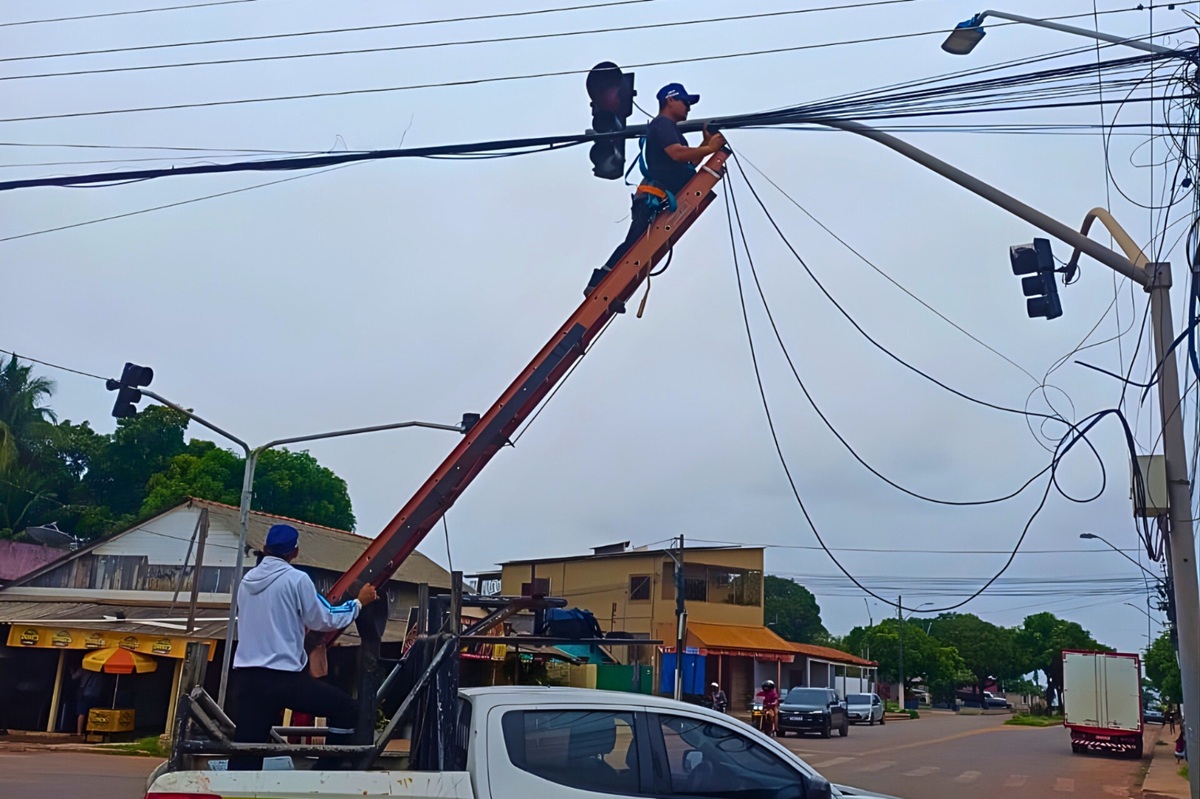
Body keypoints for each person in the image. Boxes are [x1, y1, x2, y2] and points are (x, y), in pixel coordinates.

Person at [230, 523, 377, 770]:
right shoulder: (297, 580)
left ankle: (234, 790)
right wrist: (359, 603)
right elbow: (325, 617)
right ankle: (327, 769)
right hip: (283, 679)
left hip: (247, 679)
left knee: (247, 751)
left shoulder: (246, 582)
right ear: (294, 553)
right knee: (346, 709)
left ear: (264, 549)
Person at [584, 82, 728, 297]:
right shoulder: (662, 125)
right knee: (634, 244)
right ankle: (599, 283)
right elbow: (677, 154)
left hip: (660, 199)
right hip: (652, 199)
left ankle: (613, 290)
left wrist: (705, 145)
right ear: (670, 100)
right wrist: (709, 148)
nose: (688, 107)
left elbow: (686, 165)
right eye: (685, 102)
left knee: (639, 245)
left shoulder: (674, 132)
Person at [71, 664, 104, 736]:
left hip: (85, 693)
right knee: (94, 713)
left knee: (82, 713)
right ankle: (92, 731)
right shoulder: (100, 670)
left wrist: (72, 671)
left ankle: (79, 732)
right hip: (96, 693)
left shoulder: (84, 668)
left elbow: (74, 677)